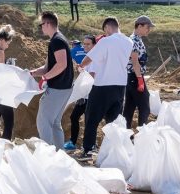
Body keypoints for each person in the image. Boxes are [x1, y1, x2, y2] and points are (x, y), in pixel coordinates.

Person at [77, 17, 134, 160]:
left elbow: (90, 58)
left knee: (92, 119)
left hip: (102, 85)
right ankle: (113, 152)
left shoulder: (106, 41)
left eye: (105, 31)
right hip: (120, 85)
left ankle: (88, 150)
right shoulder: (128, 41)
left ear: (108, 27)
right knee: (113, 121)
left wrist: (81, 65)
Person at [30, 11, 74, 149]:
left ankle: (47, 154)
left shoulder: (57, 41)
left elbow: (62, 64)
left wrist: (45, 78)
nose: (41, 27)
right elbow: (49, 66)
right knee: (54, 122)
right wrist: (34, 73)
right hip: (64, 88)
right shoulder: (58, 39)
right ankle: (59, 154)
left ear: (48, 24)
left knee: (43, 122)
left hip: (58, 88)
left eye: (41, 24)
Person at [64, 35, 98, 150]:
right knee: (75, 117)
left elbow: (92, 76)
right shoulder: (88, 57)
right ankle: (74, 142)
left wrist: (81, 91)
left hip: (91, 95)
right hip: (85, 94)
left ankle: (90, 145)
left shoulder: (94, 58)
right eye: (84, 43)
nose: (85, 46)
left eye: (88, 44)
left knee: (88, 120)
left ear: (94, 45)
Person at [123, 15, 154, 128]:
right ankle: (142, 134)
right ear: (139, 26)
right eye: (147, 27)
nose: (148, 30)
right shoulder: (134, 40)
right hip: (135, 77)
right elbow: (135, 62)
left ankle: (126, 135)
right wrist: (140, 80)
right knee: (145, 107)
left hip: (132, 77)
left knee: (129, 108)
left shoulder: (137, 39)